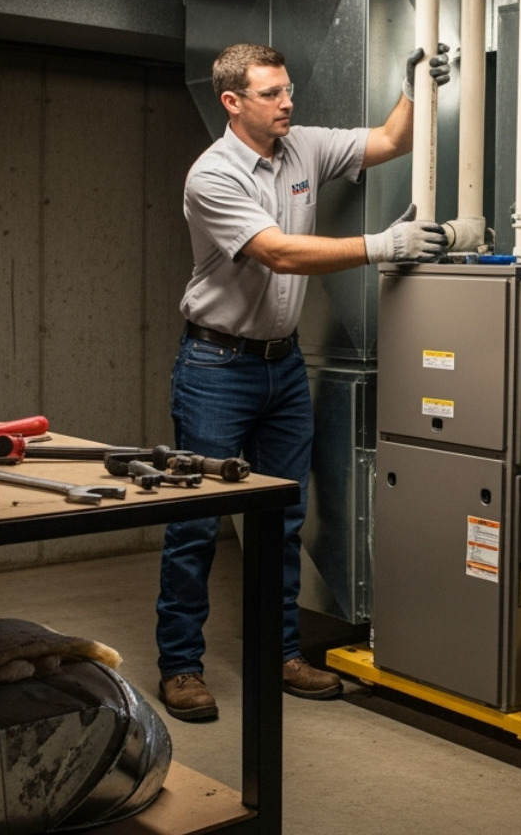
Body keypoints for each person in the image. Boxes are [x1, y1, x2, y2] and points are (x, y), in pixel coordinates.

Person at [158, 41, 450, 718]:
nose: (288, 101)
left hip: (281, 366)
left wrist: (415, 88)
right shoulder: (214, 175)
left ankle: (280, 652)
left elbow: (387, 140)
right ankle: (179, 666)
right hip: (215, 368)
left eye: (288, 89)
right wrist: (380, 246)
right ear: (232, 102)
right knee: (196, 521)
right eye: (271, 93)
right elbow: (276, 253)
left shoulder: (305, 147)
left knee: (283, 519)